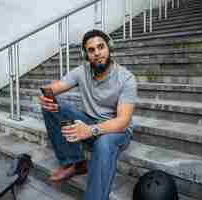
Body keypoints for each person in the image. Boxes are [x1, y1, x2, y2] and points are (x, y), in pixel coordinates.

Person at [39, 29, 137, 200]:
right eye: (91, 50)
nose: (97, 53)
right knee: (52, 105)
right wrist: (46, 95)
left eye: (101, 47)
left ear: (109, 48)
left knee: (104, 143)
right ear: (86, 54)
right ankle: (75, 163)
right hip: (89, 122)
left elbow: (123, 121)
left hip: (116, 130)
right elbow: (57, 86)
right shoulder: (81, 71)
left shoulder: (126, 78)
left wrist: (90, 130)